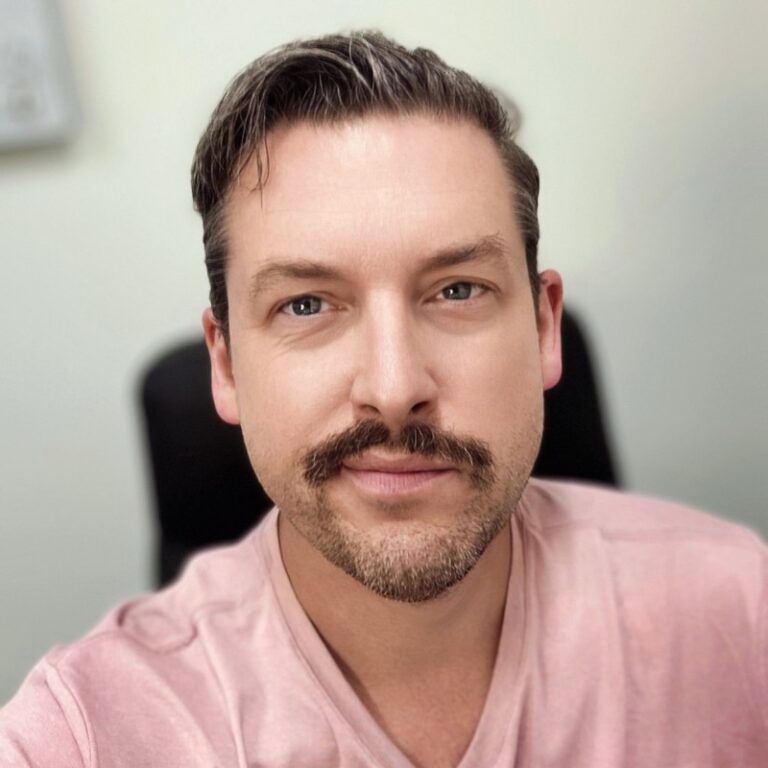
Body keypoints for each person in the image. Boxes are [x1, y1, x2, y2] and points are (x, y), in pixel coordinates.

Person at [1, 30, 766, 768]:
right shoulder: (82, 736)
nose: (395, 390)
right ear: (226, 364)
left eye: (457, 290)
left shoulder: (740, 615)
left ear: (542, 330)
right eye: (306, 304)